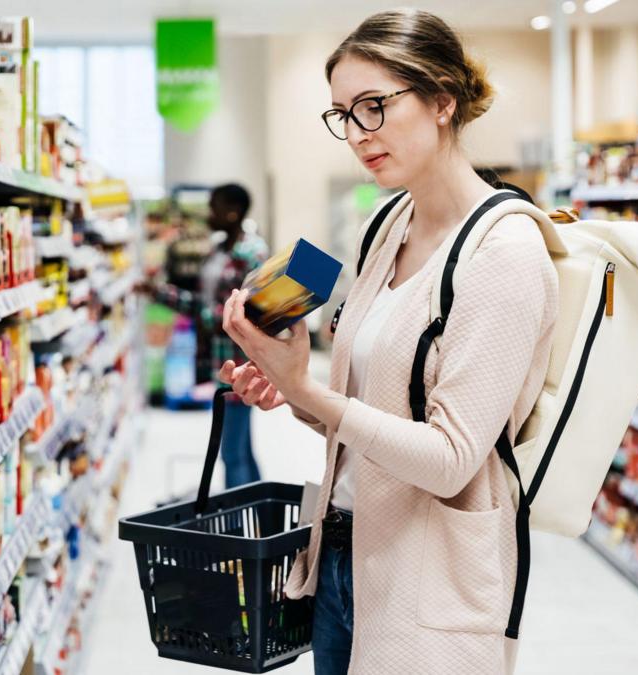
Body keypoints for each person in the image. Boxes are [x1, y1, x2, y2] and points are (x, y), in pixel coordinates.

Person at [218, 10, 558, 675]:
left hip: (430, 579)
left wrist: (308, 387)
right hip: (342, 560)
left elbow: (451, 459)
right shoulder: (386, 224)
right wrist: (292, 394)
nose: (356, 133)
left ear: (441, 100)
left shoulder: (505, 252)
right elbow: (364, 416)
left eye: (374, 106)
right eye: (342, 114)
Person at [157, 183, 268, 487]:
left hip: (241, 361)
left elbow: (250, 310)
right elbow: (204, 305)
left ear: (233, 212)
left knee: (231, 452)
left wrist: (207, 317)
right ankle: (259, 514)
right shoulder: (219, 250)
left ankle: (239, 527)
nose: (208, 214)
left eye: (214, 207)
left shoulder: (252, 253)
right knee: (240, 447)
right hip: (220, 359)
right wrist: (160, 293)